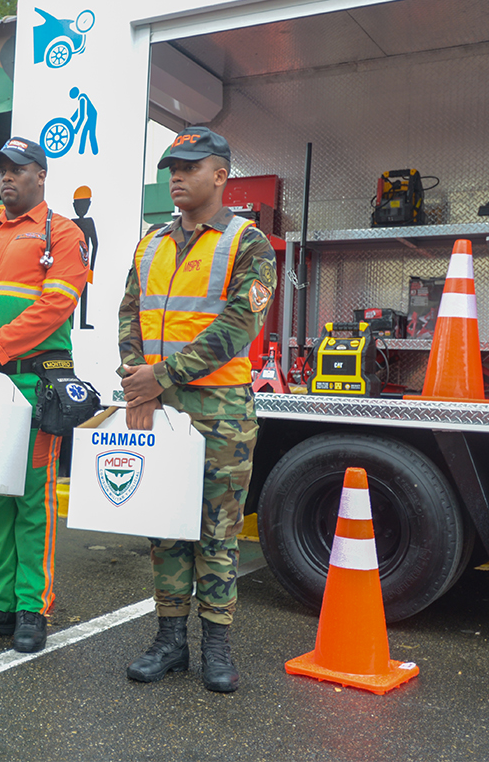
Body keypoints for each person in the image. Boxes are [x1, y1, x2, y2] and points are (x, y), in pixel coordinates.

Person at [118, 126, 275, 693]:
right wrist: (139, 383)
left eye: (188, 166)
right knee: (165, 528)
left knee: (216, 532)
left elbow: (237, 327)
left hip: (220, 412)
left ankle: (216, 645)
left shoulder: (247, 242)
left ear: (221, 174)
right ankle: (168, 642)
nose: (176, 176)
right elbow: (128, 316)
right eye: (170, 168)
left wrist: (159, 378)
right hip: (159, 408)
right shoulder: (151, 242)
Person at [0, 138, 87, 653]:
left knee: (30, 500)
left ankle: (32, 606)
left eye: (18, 169)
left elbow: (55, 306)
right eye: (1, 169)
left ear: (41, 176)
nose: (7, 178)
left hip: (32, 383)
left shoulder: (62, 234)